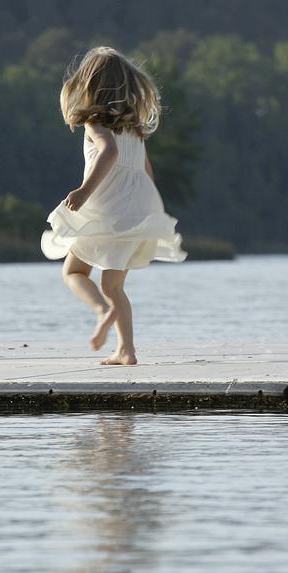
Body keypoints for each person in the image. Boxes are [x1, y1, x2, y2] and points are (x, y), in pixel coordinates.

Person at [43, 46, 186, 365]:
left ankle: (101, 310)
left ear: (88, 87)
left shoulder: (95, 123)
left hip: (106, 207)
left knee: (74, 271)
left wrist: (83, 191)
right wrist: (151, 212)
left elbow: (109, 154)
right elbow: (147, 171)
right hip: (136, 209)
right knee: (113, 284)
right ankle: (126, 350)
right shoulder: (135, 130)